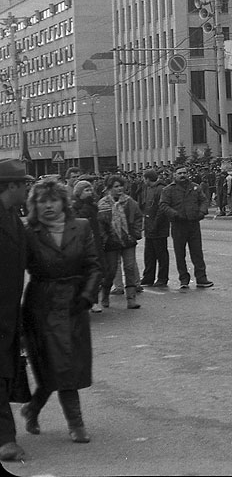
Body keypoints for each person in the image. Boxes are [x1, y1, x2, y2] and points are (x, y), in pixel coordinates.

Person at [21, 177, 102, 446]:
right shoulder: (28, 232)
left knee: (67, 366)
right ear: (34, 205)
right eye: (42, 201)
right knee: (53, 366)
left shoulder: (81, 227)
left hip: (74, 303)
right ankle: (73, 423)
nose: (48, 206)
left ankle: (37, 410)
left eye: (53, 200)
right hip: (41, 305)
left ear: (63, 202)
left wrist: (87, 296)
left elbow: (93, 265)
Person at [0, 160, 33, 463]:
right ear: (11, 186)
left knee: (6, 369)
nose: (27, 188)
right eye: (24, 184)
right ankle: (5, 439)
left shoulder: (13, 215)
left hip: (9, 310)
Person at [159, 167, 213, 289]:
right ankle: (183, 279)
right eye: (179, 173)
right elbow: (163, 205)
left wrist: (201, 212)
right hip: (178, 225)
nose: (182, 175)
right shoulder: (168, 190)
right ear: (174, 175)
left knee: (197, 252)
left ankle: (201, 278)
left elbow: (204, 200)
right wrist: (174, 214)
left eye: (184, 173)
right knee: (180, 253)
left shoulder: (195, 187)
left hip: (193, 224)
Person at [96, 175, 143, 311]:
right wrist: (105, 238)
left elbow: (138, 217)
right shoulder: (103, 204)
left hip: (128, 241)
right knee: (111, 271)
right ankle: (105, 294)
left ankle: (131, 299)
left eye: (121, 186)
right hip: (111, 243)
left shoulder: (130, 202)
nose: (119, 189)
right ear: (109, 188)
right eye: (116, 186)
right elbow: (100, 224)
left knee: (129, 268)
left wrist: (135, 233)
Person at [138, 170, 169, 287]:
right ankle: (148, 277)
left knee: (161, 255)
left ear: (147, 178)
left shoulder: (160, 189)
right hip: (149, 227)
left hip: (158, 228)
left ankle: (162, 278)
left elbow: (161, 209)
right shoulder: (149, 189)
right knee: (149, 254)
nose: (143, 180)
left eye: (143, 178)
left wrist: (155, 225)